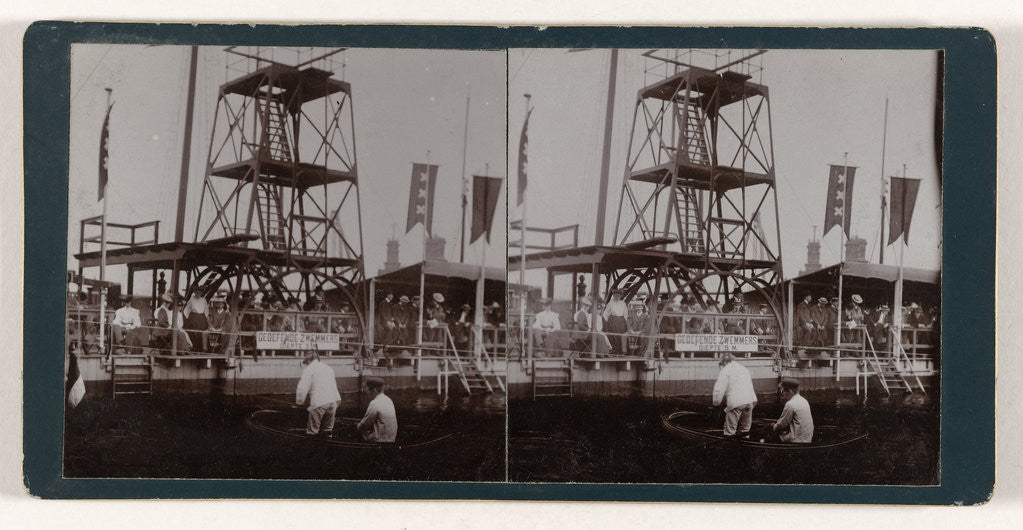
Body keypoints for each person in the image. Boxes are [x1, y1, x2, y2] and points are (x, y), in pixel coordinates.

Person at [711, 352, 758, 439]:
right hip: (749, 402)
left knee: (730, 431)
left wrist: (716, 404)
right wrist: (753, 402)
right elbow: (750, 386)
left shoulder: (725, 370)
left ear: (724, 362)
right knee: (745, 431)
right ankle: (745, 449)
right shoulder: (743, 369)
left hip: (735, 404)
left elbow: (719, 389)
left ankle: (730, 450)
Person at [295, 351, 342, 436]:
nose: (305, 365)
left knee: (312, 431)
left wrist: (299, 402)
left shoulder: (309, 369)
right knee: (327, 430)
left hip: (318, 403)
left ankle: (312, 447)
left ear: (308, 361)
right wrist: (338, 399)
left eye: (305, 363)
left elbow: (302, 388)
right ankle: (327, 447)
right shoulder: (327, 368)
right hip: (332, 402)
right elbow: (333, 385)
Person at [773, 377, 814, 443]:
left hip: (797, 440)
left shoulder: (790, 404)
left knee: (775, 434)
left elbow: (782, 424)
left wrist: (774, 426)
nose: (782, 393)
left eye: (782, 391)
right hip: (808, 438)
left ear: (790, 391)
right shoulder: (804, 400)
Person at [357, 376, 398, 443]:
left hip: (380, 441)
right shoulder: (388, 400)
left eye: (367, 390)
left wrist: (358, 426)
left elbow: (365, 424)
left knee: (359, 430)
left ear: (374, 390)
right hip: (391, 438)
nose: (367, 393)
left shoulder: (375, 403)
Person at [602, 289, 629, 355]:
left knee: (622, 335)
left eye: (618, 296)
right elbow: (606, 314)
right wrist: (607, 323)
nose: (617, 297)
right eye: (615, 296)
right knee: (614, 335)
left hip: (621, 321)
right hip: (613, 321)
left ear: (620, 296)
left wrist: (625, 322)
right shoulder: (611, 303)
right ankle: (615, 350)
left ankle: (623, 351)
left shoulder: (623, 303)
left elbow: (625, 314)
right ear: (613, 296)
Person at [183, 288, 210, 352]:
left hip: (201, 317)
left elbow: (206, 310)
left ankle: (202, 349)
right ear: (194, 293)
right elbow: (186, 310)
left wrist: (205, 318)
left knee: (202, 332)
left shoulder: (203, 300)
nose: (198, 294)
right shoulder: (191, 300)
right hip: (193, 317)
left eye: (199, 293)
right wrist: (188, 319)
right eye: (197, 292)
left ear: (201, 293)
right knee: (193, 332)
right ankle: (194, 347)